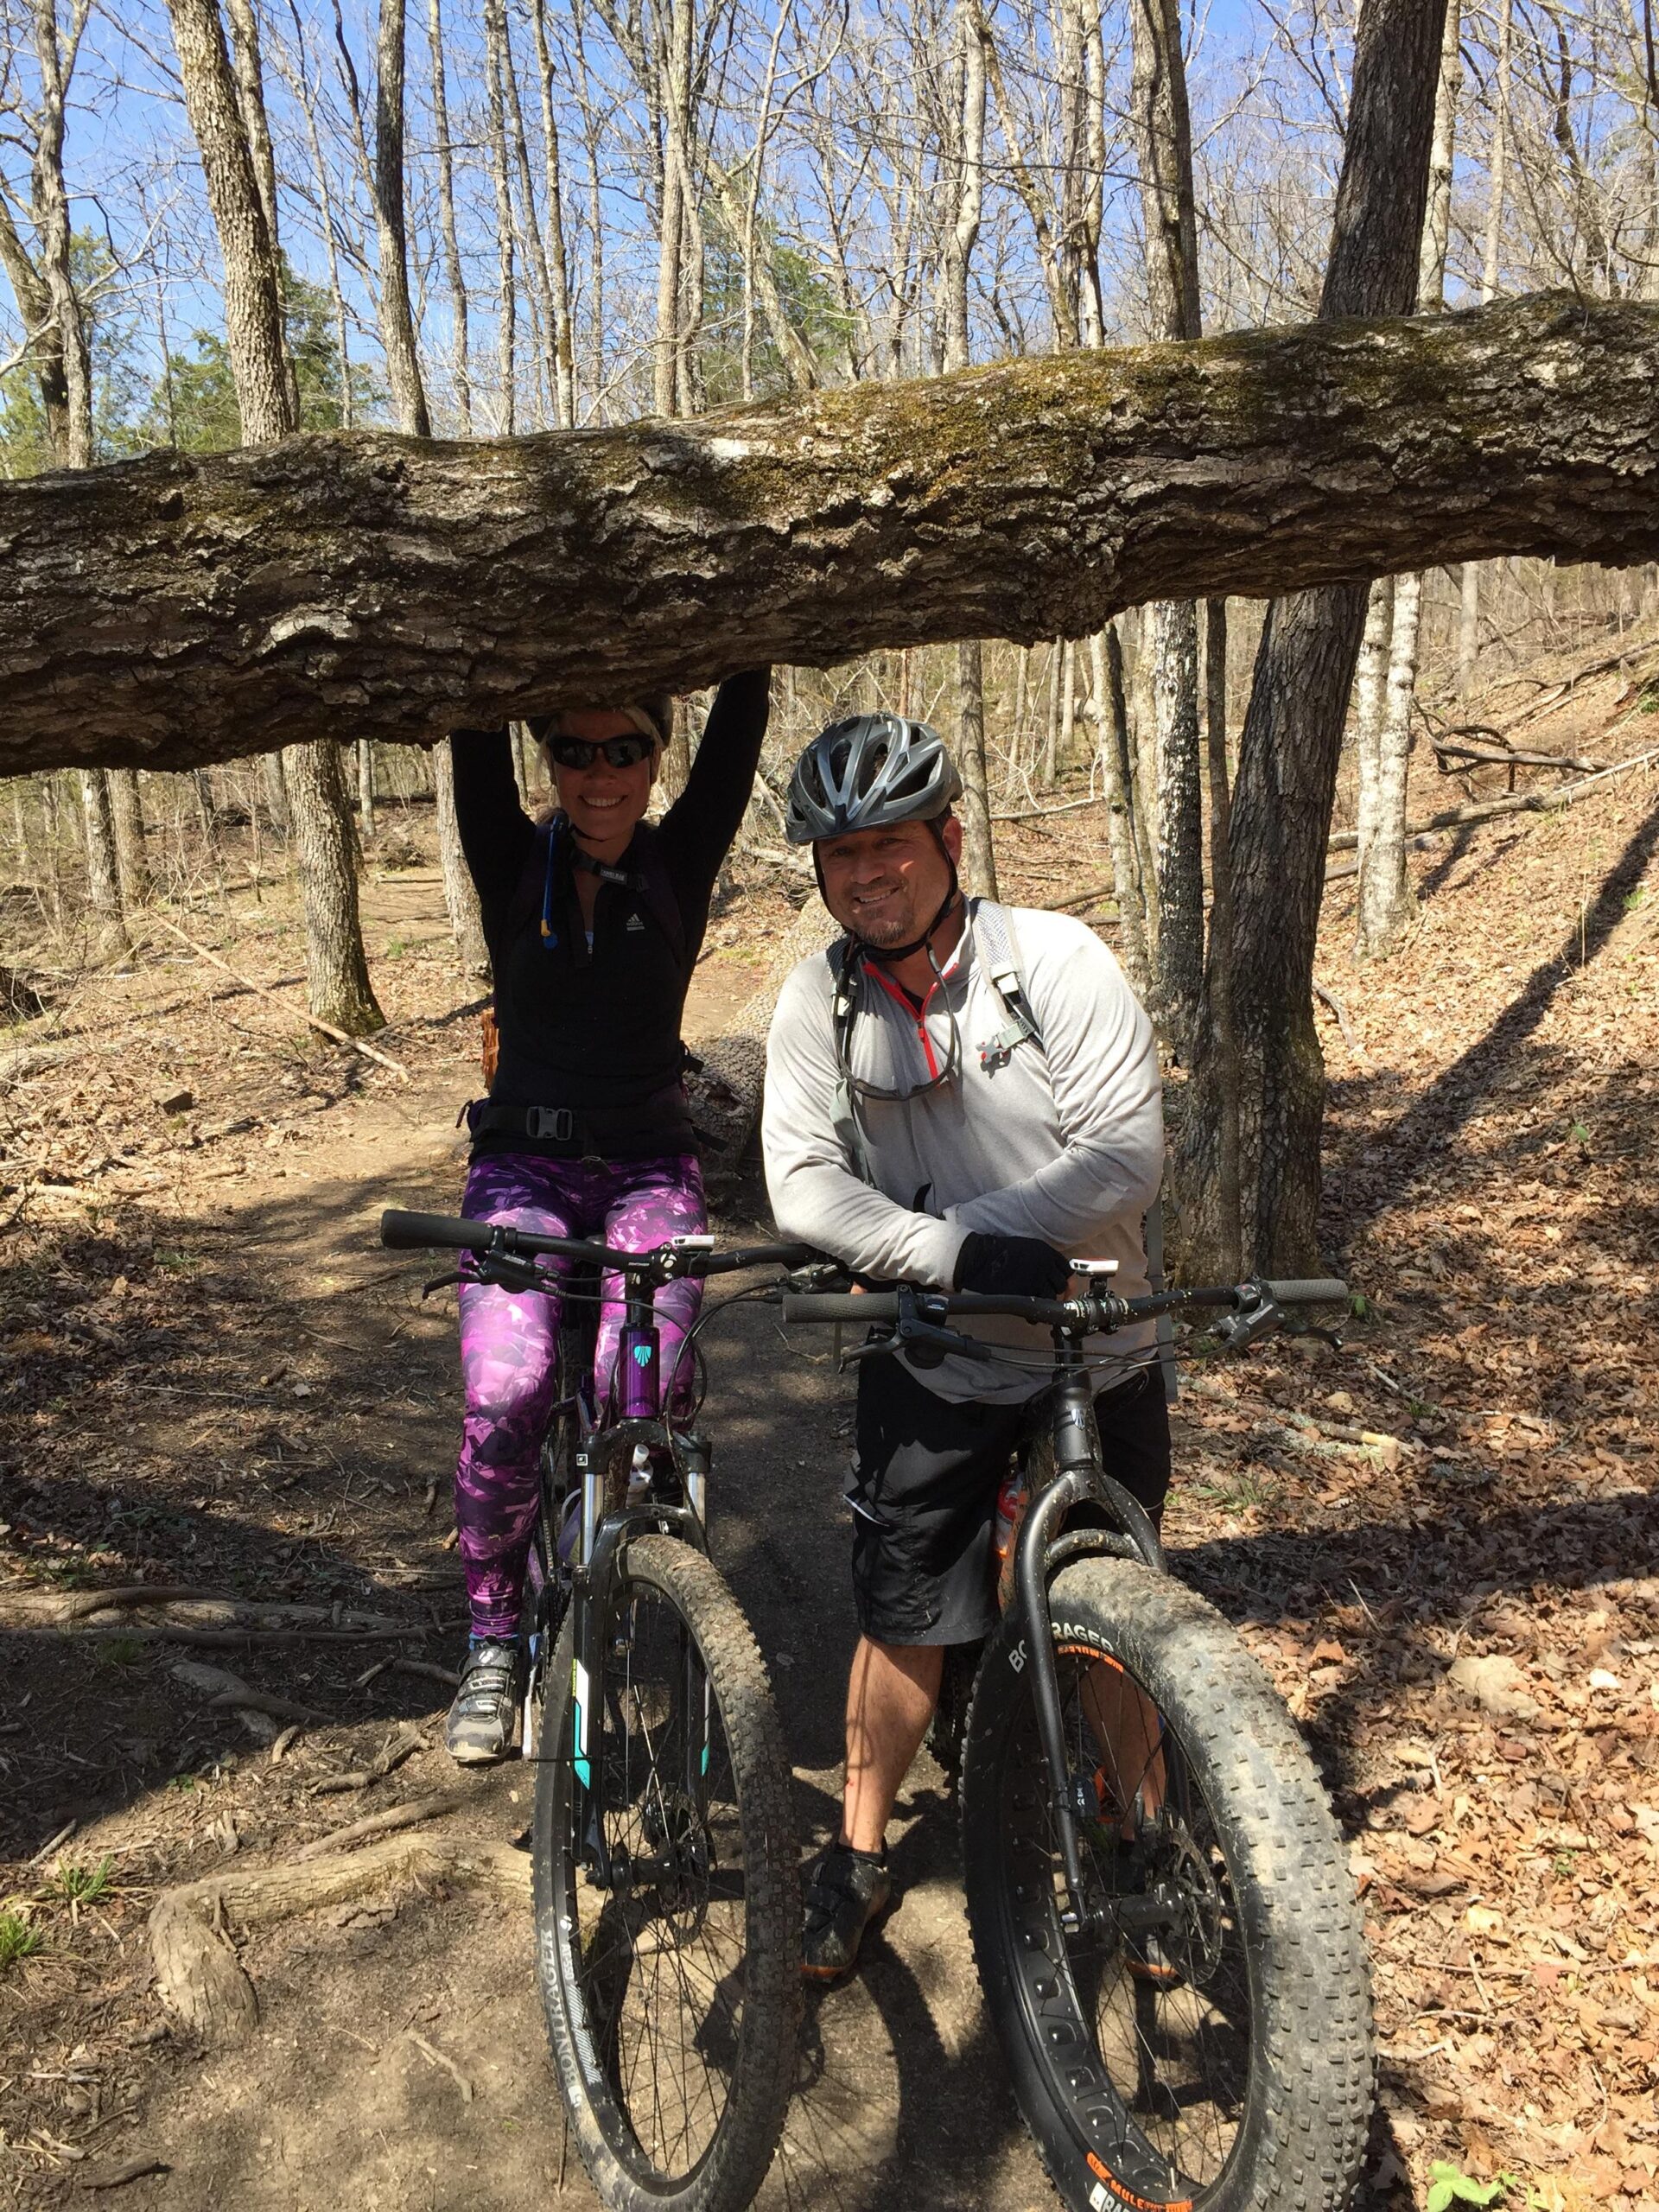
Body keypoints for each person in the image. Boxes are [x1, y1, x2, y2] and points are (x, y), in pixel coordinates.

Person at [761, 711, 1167, 1981]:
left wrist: (970, 1231)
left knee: (1118, 1604)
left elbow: (1124, 1157)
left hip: (1094, 1343)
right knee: (905, 1611)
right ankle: (859, 1850)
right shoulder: (818, 1000)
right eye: (841, 854)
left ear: (949, 837)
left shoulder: (1052, 960)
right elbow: (802, 1186)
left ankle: (1147, 1837)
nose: (867, 873)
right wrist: (949, 1255)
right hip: (933, 1349)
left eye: (890, 843)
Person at [442, 672, 770, 1763]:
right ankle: (494, 1642)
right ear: (548, 759)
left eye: (623, 749)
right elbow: (469, 719)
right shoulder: (509, 858)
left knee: (642, 1390)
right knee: (508, 1391)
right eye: (574, 751)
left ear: (655, 758)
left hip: (648, 1173)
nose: (598, 774)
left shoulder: (680, 860)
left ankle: (626, 1556)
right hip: (521, 1175)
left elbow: (742, 719)